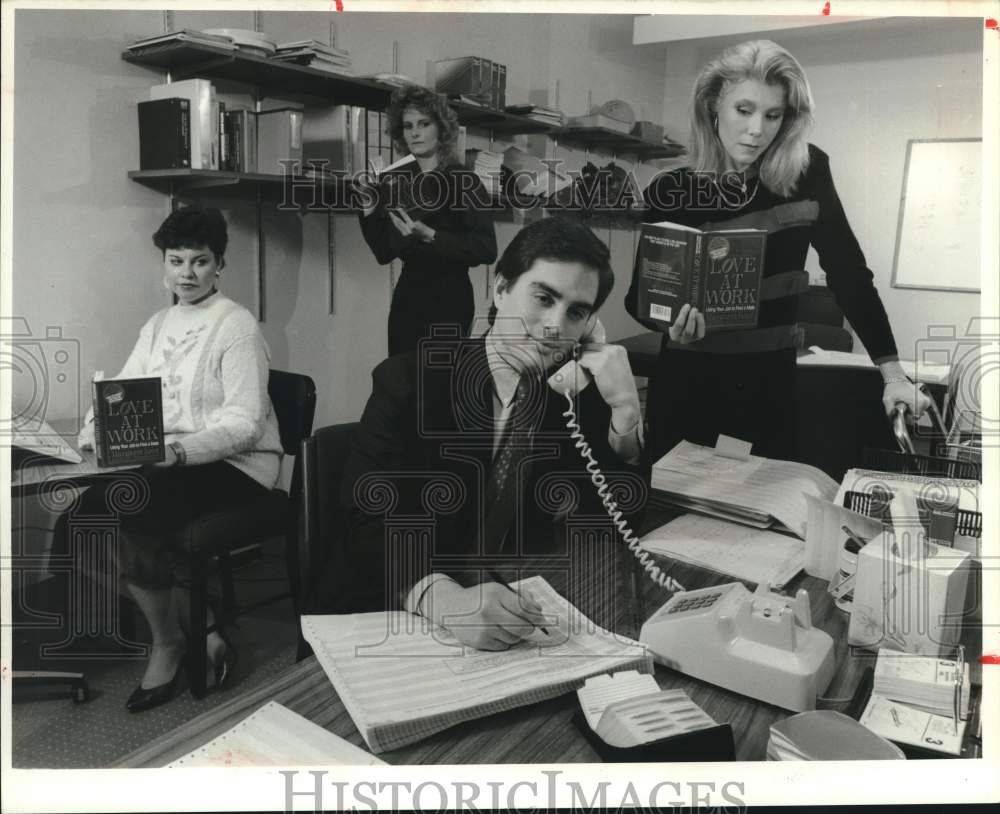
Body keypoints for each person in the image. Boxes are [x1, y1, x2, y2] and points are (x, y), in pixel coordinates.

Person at [313, 217, 646, 651]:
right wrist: (445, 599)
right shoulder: (410, 380)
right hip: (389, 606)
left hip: (508, 606)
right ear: (501, 288)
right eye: (543, 297)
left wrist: (624, 415)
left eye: (576, 312)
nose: (553, 327)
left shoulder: (571, 397)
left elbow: (618, 525)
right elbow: (367, 523)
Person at [625, 39, 931, 462]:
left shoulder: (808, 171)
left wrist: (893, 373)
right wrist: (667, 324)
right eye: (744, 110)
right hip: (687, 383)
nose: (757, 130)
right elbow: (639, 299)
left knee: (762, 512)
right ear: (714, 104)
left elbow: (848, 272)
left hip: (766, 385)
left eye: (773, 115)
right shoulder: (670, 188)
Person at [75, 206, 283, 712]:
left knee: (135, 510)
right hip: (170, 463)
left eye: (200, 262)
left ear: (220, 266)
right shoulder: (159, 322)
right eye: (176, 262)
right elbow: (123, 390)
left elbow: (245, 423)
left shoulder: (237, 326)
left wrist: (179, 450)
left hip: (238, 465)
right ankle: (201, 622)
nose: (186, 274)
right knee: (80, 521)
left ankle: (166, 645)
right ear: (163, 266)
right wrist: (91, 432)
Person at [357, 84, 497, 356]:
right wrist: (368, 206)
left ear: (441, 129)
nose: (415, 132)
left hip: (449, 298)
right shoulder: (399, 181)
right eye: (408, 126)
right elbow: (384, 252)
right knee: (400, 382)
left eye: (424, 124)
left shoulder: (462, 179)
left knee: (436, 387)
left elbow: (486, 249)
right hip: (407, 296)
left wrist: (431, 236)